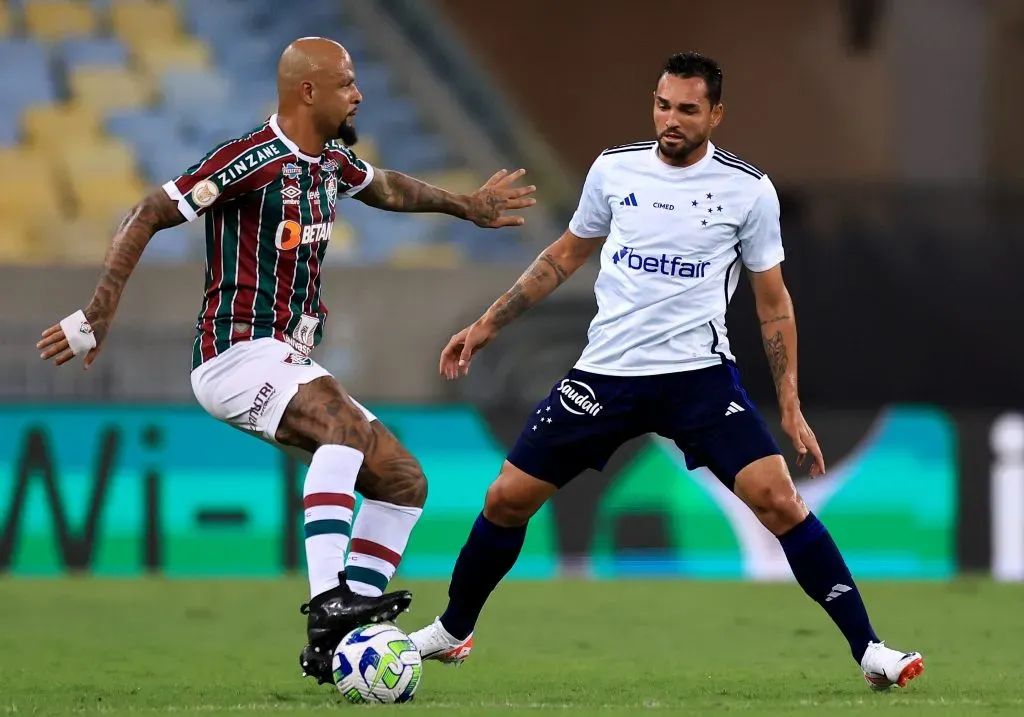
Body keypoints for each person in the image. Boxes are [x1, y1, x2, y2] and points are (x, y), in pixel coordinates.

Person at [408, 52, 924, 692]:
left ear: (715, 114)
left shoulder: (748, 190)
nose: (670, 120)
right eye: (662, 104)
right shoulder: (614, 170)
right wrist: (488, 324)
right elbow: (565, 255)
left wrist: (789, 404)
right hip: (606, 374)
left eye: (686, 109)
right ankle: (455, 628)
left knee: (780, 501)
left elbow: (773, 303)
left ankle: (870, 648)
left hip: (697, 380)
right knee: (505, 499)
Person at [36, 37, 536, 686]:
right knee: (345, 429)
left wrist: (463, 205)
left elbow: (385, 186)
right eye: (347, 83)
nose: (359, 94)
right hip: (234, 353)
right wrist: (98, 311)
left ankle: (337, 644)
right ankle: (331, 604)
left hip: (286, 357)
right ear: (308, 91)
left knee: (404, 480)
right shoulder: (250, 160)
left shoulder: (330, 161)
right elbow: (147, 212)